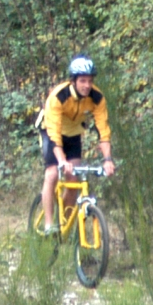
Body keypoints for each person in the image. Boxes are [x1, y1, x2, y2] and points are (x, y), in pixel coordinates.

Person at [37, 54, 116, 235]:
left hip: (73, 134)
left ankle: (63, 228)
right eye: (82, 81)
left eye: (90, 81)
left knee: (73, 178)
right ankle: (49, 225)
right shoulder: (59, 96)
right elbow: (54, 133)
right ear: (73, 81)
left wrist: (108, 159)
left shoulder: (97, 97)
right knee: (52, 173)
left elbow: (103, 131)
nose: (87, 85)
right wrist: (61, 161)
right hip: (51, 131)